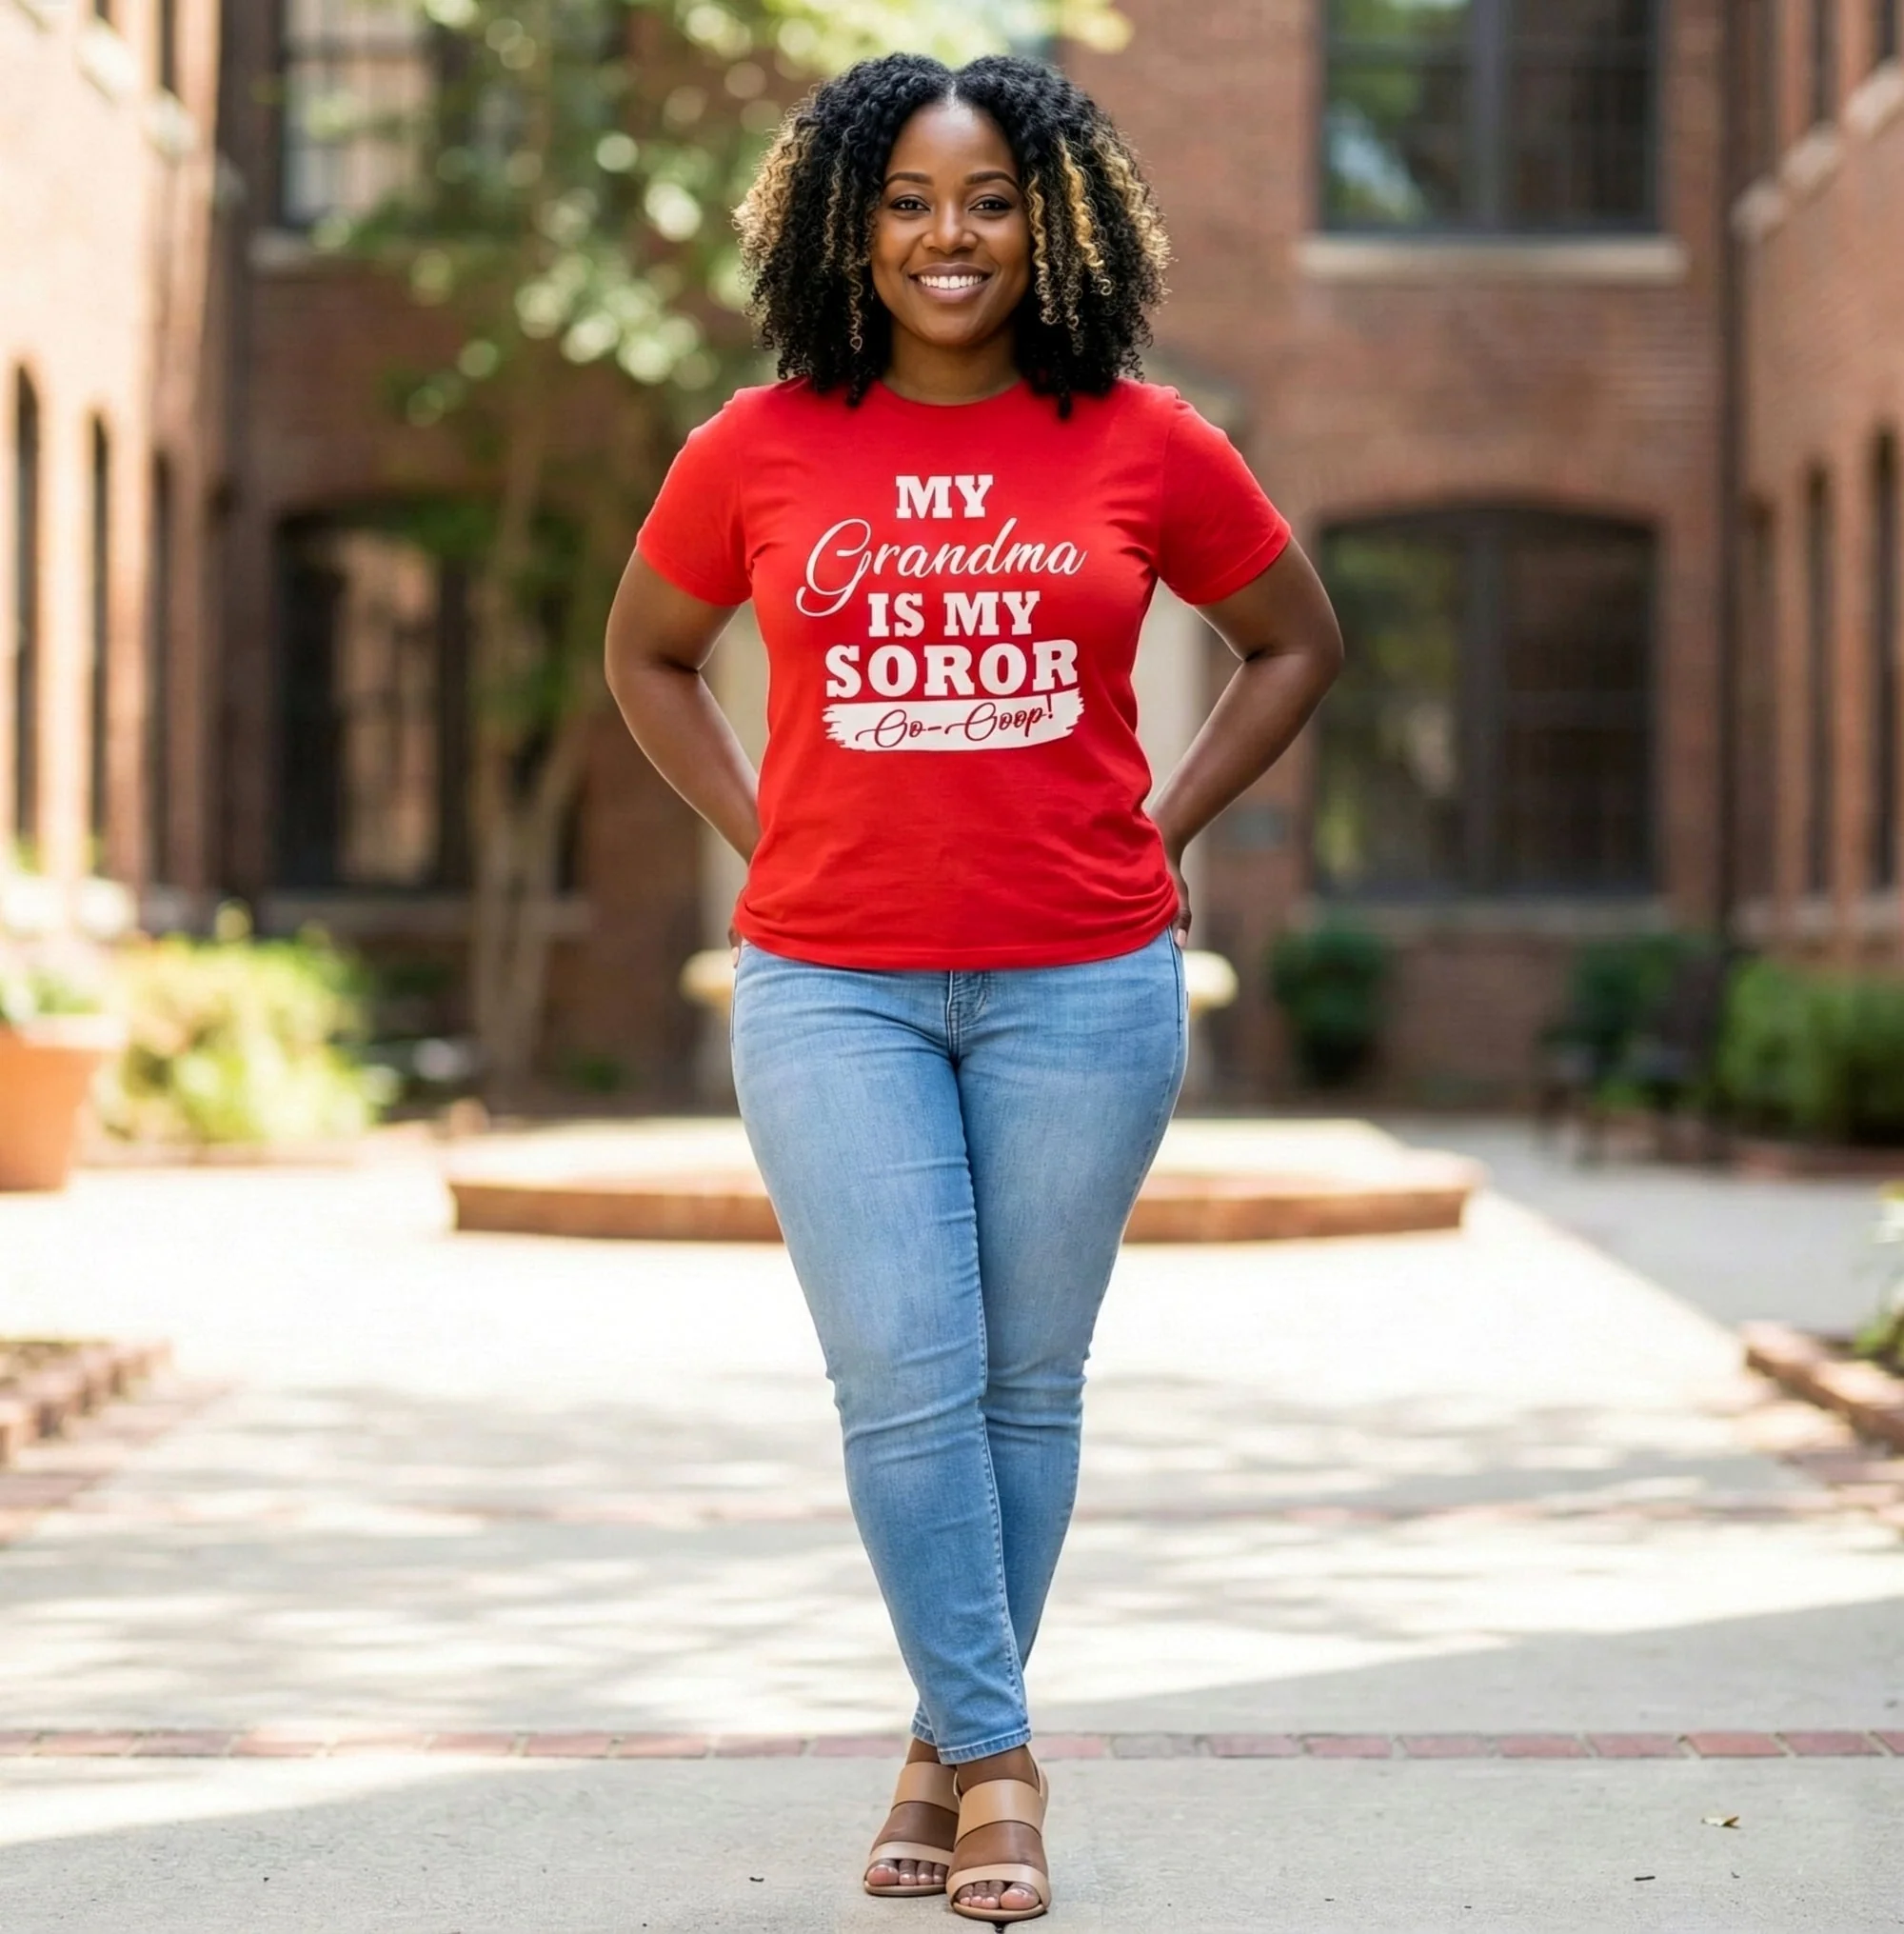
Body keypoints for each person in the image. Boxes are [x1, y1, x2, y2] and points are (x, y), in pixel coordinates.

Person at [604, 50, 1342, 1924]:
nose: (952, 236)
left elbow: (1291, 641)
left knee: (1023, 1384)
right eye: (911, 200)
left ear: (1049, 223)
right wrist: (766, 825)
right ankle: (1005, 1759)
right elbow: (650, 654)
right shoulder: (755, 445)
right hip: (830, 982)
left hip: (1083, 977)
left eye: (992, 200)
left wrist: (1165, 825)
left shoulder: (1146, 439)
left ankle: (944, 1746)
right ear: (849, 226)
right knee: (902, 1376)